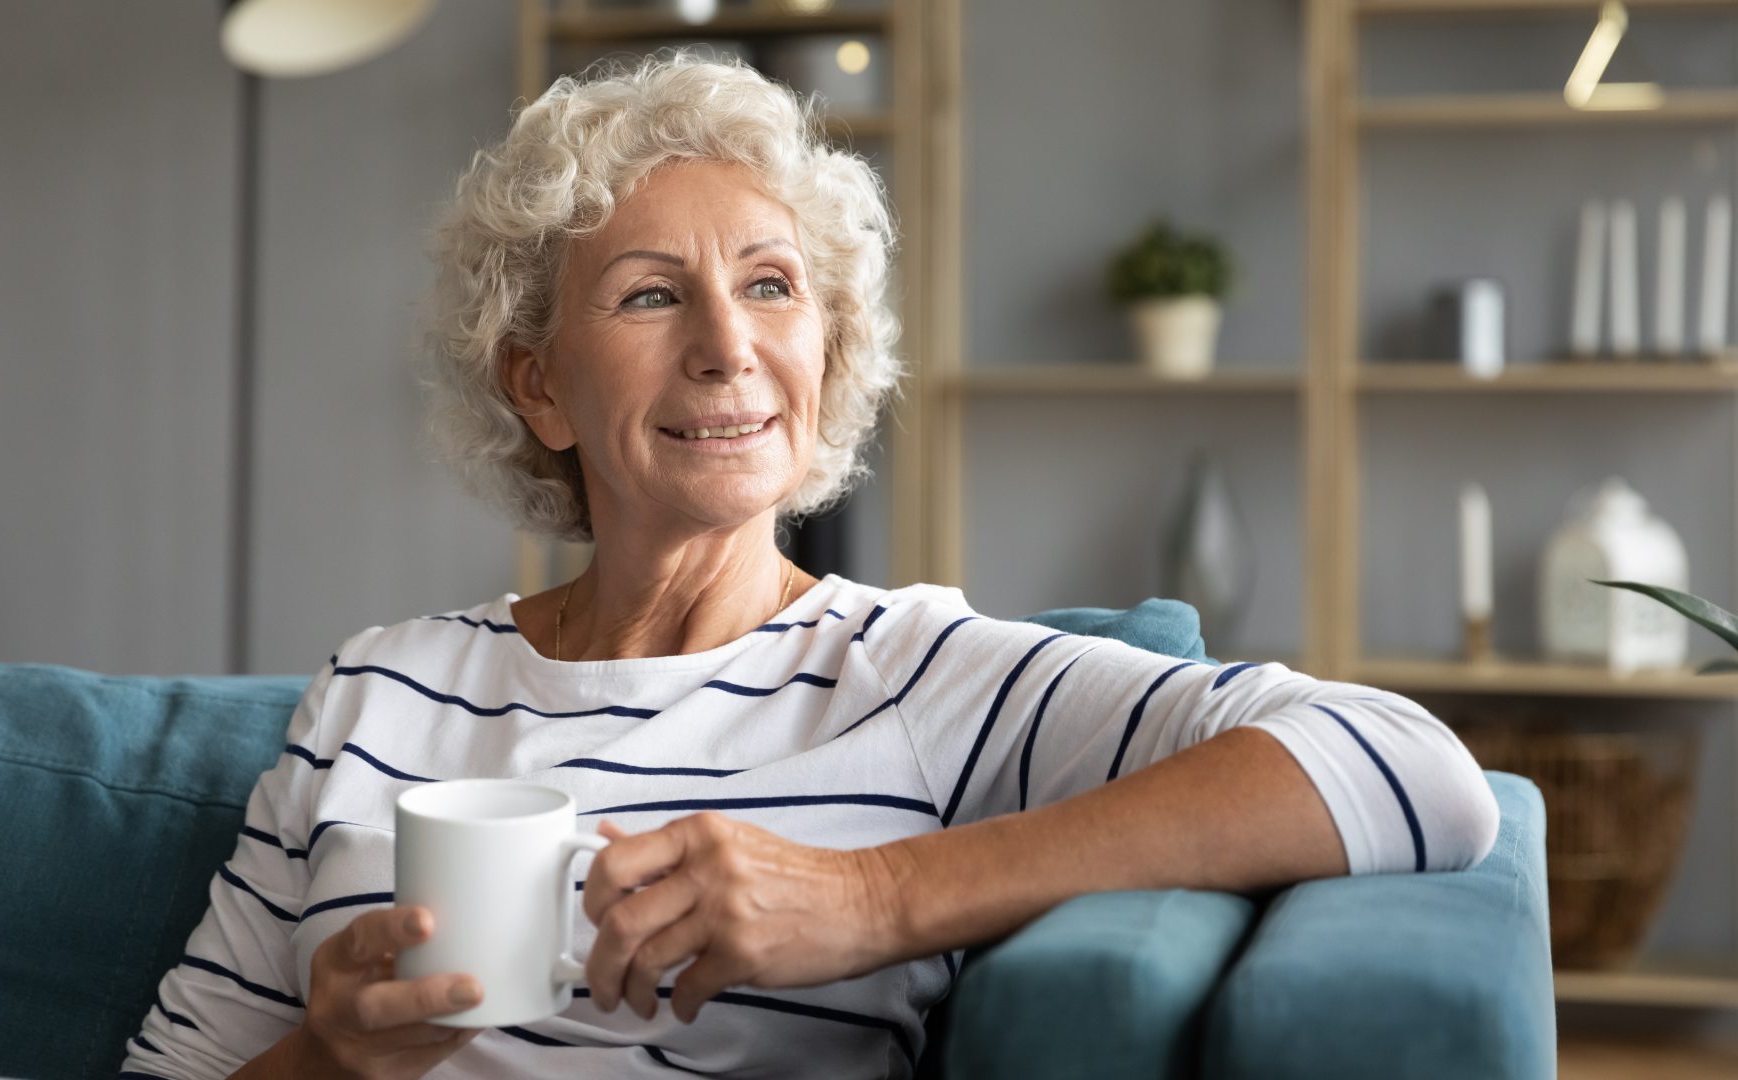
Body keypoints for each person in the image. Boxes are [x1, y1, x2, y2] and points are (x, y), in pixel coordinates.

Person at [120, 53, 1499, 1080]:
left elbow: (1410, 770)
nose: (728, 346)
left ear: (824, 354)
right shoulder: (379, 687)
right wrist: (325, 1061)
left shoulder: (909, 677)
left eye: (772, 286)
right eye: (652, 293)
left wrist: (870, 898)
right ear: (539, 387)